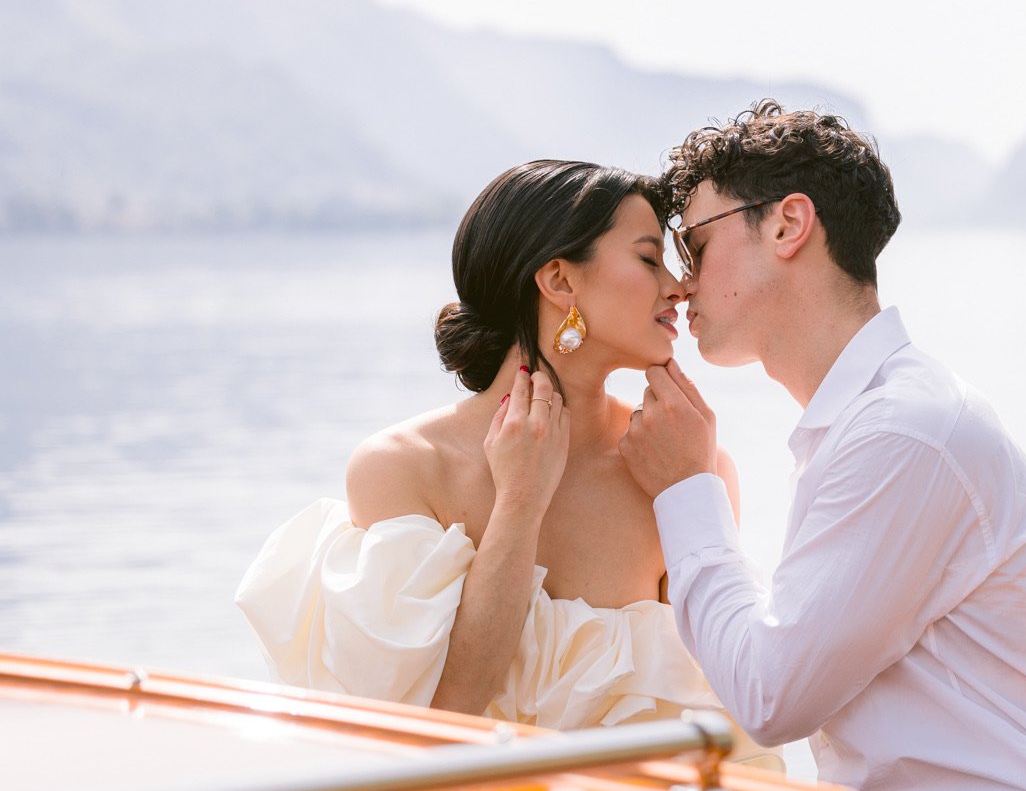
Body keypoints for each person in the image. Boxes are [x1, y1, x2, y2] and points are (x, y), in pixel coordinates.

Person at [619, 100, 1026, 791]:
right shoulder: (876, 424)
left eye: (694, 244)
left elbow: (772, 694)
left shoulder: (903, 435)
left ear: (788, 224)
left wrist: (687, 489)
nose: (682, 281)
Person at [236, 161, 771, 755]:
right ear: (559, 282)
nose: (678, 287)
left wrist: (692, 489)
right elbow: (438, 720)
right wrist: (519, 502)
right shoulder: (407, 468)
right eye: (648, 259)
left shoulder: (690, 472)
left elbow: (734, 707)